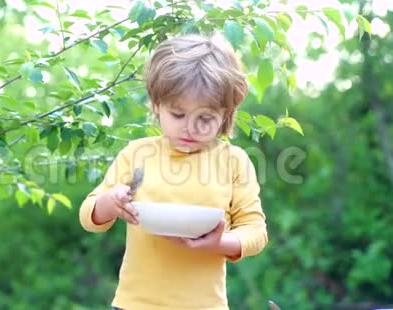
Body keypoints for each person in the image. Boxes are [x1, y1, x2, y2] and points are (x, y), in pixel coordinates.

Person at [78, 34, 268, 310]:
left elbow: (256, 232)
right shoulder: (137, 154)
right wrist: (110, 203)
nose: (190, 127)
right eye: (178, 115)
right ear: (156, 106)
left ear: (225, 114)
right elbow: (89, 216)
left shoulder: (234, 161)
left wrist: (219, 243)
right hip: (134, 304)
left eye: (205, 118)